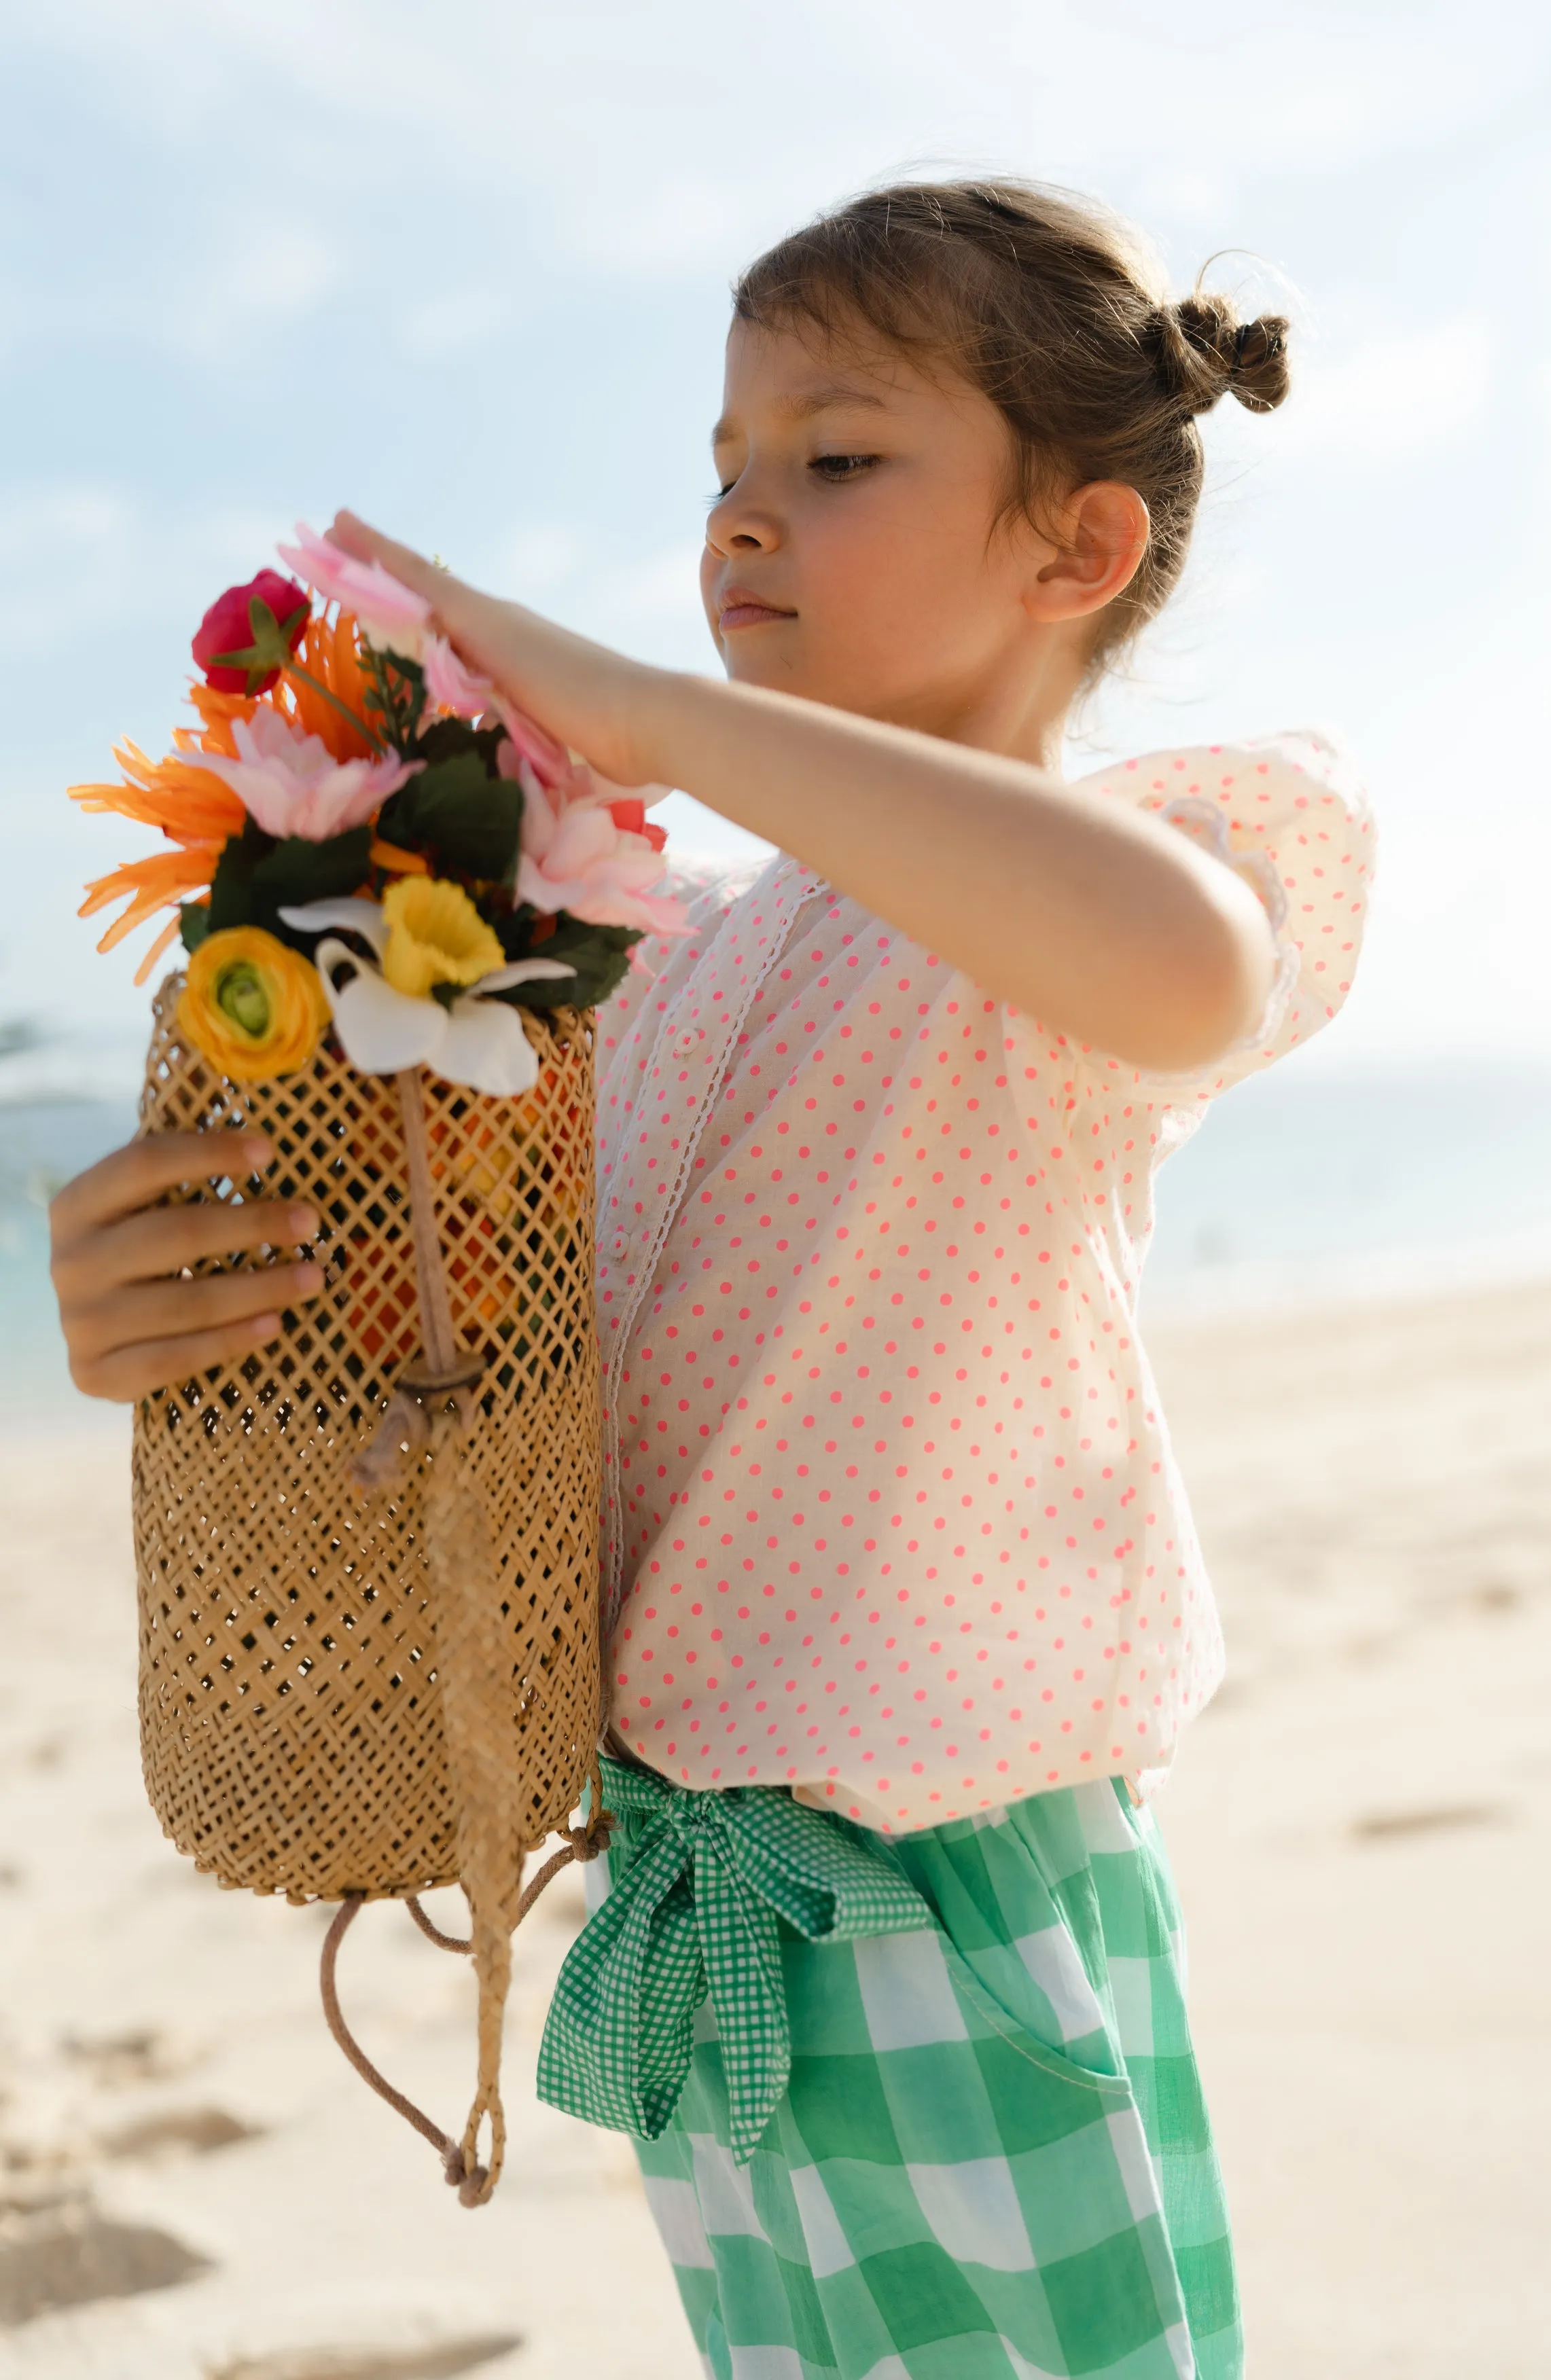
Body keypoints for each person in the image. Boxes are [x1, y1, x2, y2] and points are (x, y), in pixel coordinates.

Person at [50, 181, 1374, 2379]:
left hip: (949, 1887)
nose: (743, 522)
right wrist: (180, 1318)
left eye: (836, 460)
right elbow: (480, 1366)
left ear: (1078, 551)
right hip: (685, 1898)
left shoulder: (1127, 871)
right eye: (725, 474)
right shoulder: (652, 972)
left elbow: (1173, 967)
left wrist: (652, 721)